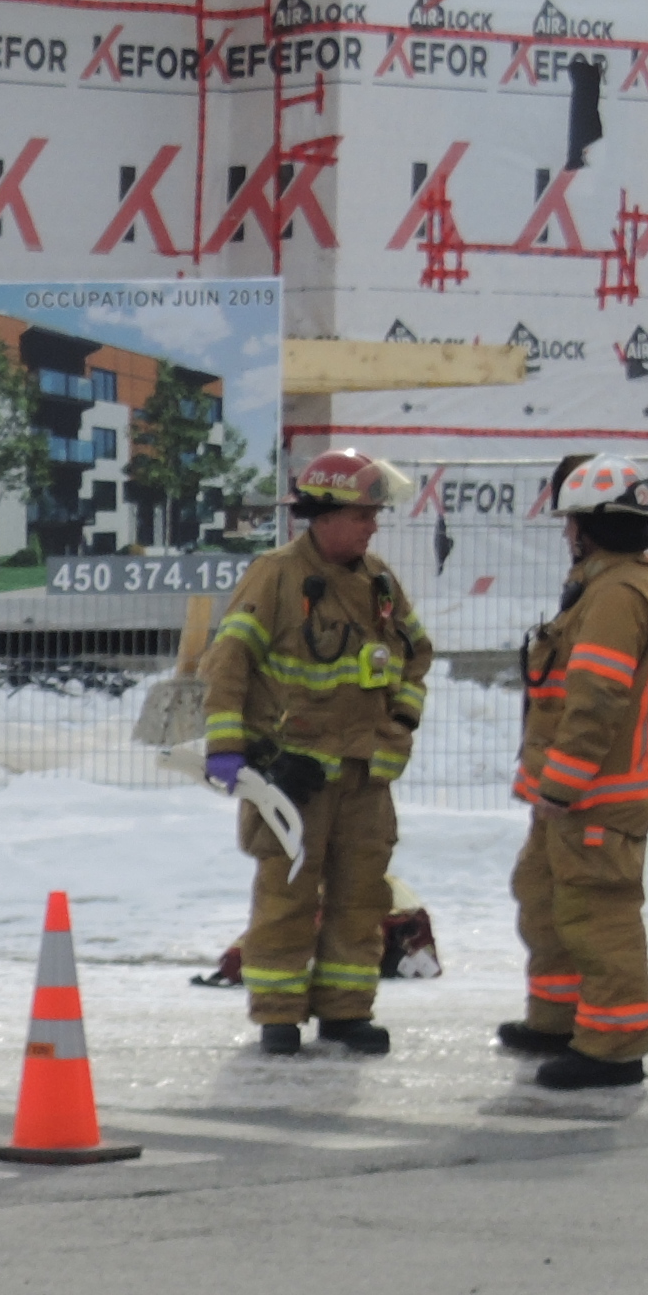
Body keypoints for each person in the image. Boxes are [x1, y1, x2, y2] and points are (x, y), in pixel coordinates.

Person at [202, 447, 434, 1055]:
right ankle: (278, 1014)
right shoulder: (275, 575)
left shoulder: (379, 582)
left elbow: (416, 655)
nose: (374, 524)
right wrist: (230, 747)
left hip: (365, 778)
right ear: (325, 516)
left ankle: (345, 1012)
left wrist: (400, 723)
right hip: (292, 776)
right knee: (287, 896)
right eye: (364, 513)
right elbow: (228, 663)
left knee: (362, 899)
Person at [499, 455, 648, 1090]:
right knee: (545, 898)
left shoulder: (615, 596)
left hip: (592, 796)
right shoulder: (625, 584)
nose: (565, 533)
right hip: (582, 795)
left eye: (571, 521)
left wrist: (561, 783)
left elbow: (597, 699)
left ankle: (612, 1046)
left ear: (590, 526)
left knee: (599, 918)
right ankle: (559, 1019)